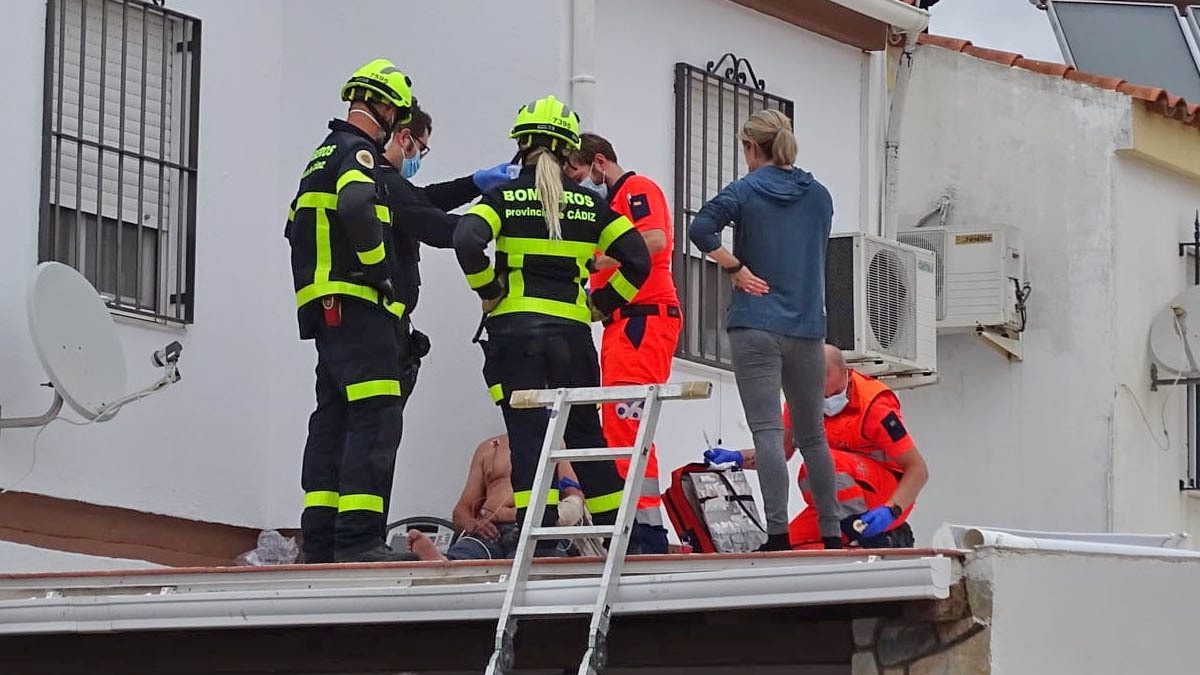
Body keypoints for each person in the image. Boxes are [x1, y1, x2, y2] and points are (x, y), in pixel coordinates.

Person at [452, 95, 652, 537]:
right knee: (585, 434)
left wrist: (488, 289)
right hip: (571, 338)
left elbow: (467, 238)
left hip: (514, 336)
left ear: (520, 145)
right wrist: (602, 307)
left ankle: (535, 536)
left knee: (526, 435)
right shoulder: (592, 206)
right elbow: (638, 259)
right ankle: (622, 535)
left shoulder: (501, 197)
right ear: (568, 151)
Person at [687, 109, 840, 551]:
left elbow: (701, 228)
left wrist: (735, 267)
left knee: (768, 433)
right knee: (813, 436)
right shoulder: (820, 197)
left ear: (752, 148)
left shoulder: (746, 190)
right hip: (808, 329)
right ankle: (831, 533)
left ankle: (777, 534)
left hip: (755, 325)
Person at [286, 59, 418, 563]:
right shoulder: (357, 153)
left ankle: (320, 542)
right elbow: (358, 208)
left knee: (333, 420)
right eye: (396, 113)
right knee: (378, 415)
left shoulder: (319, 156)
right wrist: (381, 268)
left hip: (326, 313)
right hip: (359, 307)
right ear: (384, 107)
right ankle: (361, 539)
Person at [563, 133, 680, 554]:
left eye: (576, 172)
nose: (574, 182)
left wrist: (599, 260)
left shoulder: (636, 190)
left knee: (626, 423)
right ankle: (633, 523)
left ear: (598, 163)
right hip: (622, 322)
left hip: (642, 319)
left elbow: (653, 240)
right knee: (616, 422)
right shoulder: (607, 205)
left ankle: (644, 530)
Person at [706, 345, 930, 548]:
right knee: (787, 548)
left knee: (820, 463)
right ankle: (848, 535)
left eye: (832, 394)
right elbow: (780, 453)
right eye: (819, 396)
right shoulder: (800, 403)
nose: (826, 401)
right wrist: (737, 457)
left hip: (887, 498)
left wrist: (891, 510)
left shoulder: (875, 406)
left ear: (847, 373)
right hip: (833, 505)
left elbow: (918, 470)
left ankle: (872, 536)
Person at [378, 102, 513, 313]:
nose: (418, 158)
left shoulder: (386, 180)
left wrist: (475, 183)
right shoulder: (385, 183)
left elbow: (425, 198)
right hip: (383, 314)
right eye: (421, 149)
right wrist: (491, 224)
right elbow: (432, 225)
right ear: (405, 138)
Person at [405, 435, 588, 561]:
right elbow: (462, 509)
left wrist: (538, 520)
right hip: (489, 531)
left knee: (534, 559)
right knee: (467, 552)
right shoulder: (488, 448)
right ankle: (441, 562)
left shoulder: (552, 443)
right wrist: (473, 524)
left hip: (534, 532)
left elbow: (575, 499)